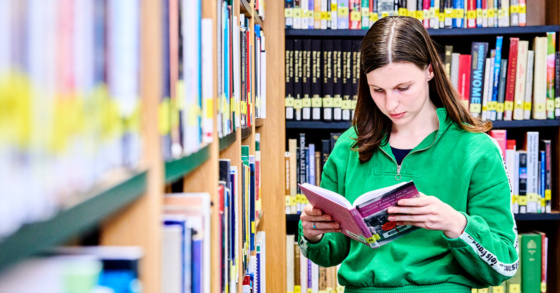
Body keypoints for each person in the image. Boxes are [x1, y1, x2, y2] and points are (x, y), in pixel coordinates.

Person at [298, 16, 518, 293]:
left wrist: (455, 224)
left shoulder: (476, 150)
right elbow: (330, 253)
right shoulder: (348, 146)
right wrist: (313, 234)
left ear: (429, 70)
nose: (391, 104)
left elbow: (503, 264)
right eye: (378, 90)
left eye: (403, 88)